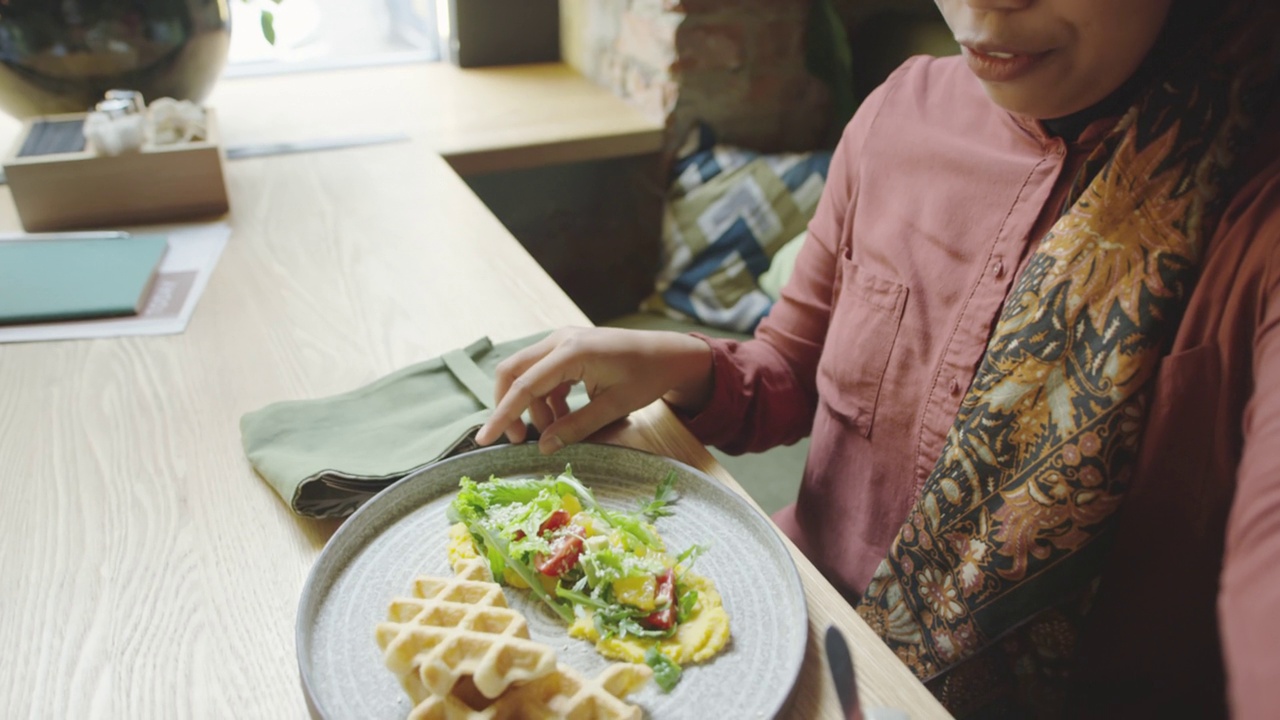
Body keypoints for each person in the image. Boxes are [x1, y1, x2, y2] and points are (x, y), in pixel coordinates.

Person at [475, 0, 1280, 717]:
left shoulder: (1252, 211)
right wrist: (677, 363)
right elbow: (789, 375)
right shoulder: (900, 113)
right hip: (791, 625)